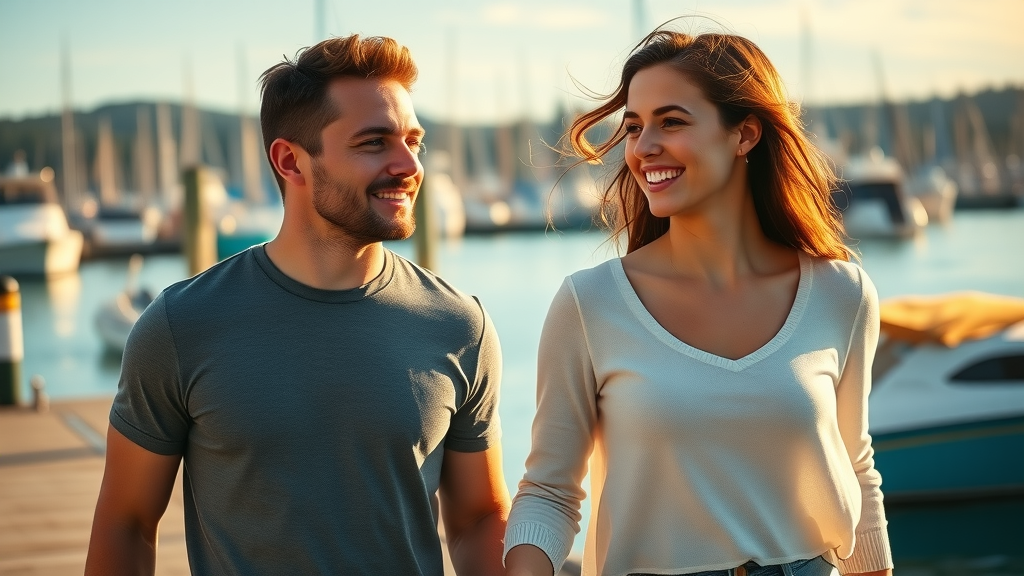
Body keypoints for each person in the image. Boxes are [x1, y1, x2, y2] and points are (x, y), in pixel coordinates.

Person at [85, 35, 510, 576]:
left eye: (413, 141)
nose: (409, 165)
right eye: (374, 143)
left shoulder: (460, 325)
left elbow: (478, 519)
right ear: (291, 161)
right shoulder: (180, 326)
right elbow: (126, 524)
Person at [503, 26, 893, 576]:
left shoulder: (842, 293)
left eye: (672, 121)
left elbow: (855, 468)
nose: (643, 147)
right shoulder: (590, 304)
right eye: (633, 127)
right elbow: (549, 492)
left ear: (745, 135)